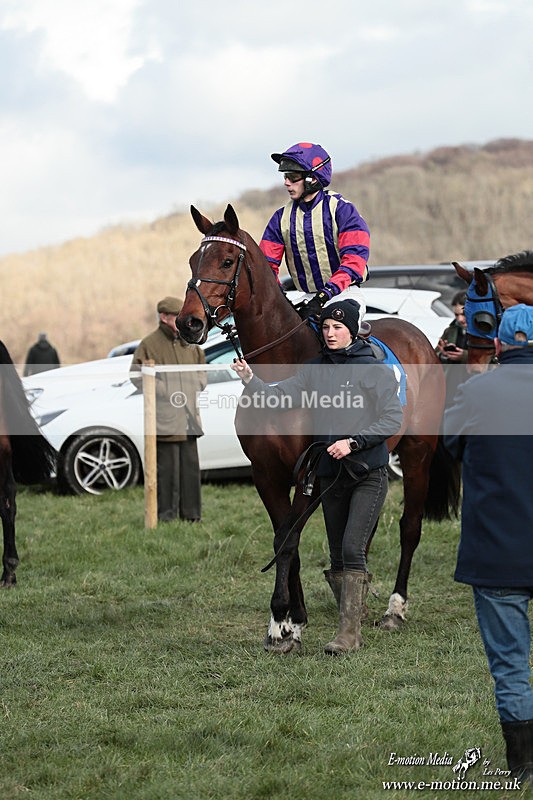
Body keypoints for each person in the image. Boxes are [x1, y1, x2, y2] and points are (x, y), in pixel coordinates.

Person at [231, 299, 403, 655]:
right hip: (330, 476)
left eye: (338, 328)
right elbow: (277, 400)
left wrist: (353, 442)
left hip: (367, 471)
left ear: (353, 330)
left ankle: (348, 636)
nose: (330, 333)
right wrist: (250, 380)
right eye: (325, 328)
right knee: (338, 555)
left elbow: (392, 420)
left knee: (354, 549)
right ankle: (349, 621)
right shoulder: (312, 369)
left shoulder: (374, 368)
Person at [443, 303, 533, 785]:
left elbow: (449, 444)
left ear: (499, 344)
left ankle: (522, 765)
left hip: (496, 552)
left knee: (510, 665)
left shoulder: (478, 392)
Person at [259, 142, 370, 324]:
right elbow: (266, 266)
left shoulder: (343, 210)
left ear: (313, 178)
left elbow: (354, 261)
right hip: (307, 298)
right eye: (286, 176)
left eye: (293, 176)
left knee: (333, 330)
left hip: (343, 295)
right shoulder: (280, 218)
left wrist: (323, 297)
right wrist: (280, 299)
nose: (286, 182)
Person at [131, 296, 207, 523]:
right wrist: (163, 390)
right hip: (165, 417)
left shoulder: (190, 342)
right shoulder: (149, 344)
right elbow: (136, 374)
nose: (183, 321)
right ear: (165, 317)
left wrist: (199, 383)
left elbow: (202, 368)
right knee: (167, 472)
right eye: (177, 317)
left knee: (191, 471)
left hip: (190, 417)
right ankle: (166, 517)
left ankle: (192, 516)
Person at [435, 291, 469, 405]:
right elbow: (435, 358)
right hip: (450, 390)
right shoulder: (450, 331)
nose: (460, 319)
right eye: (456, 315)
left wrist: (464, 356)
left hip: (472, 388)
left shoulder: (485, 332)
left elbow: (492, 359)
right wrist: (444, 354)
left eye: (464, 314)